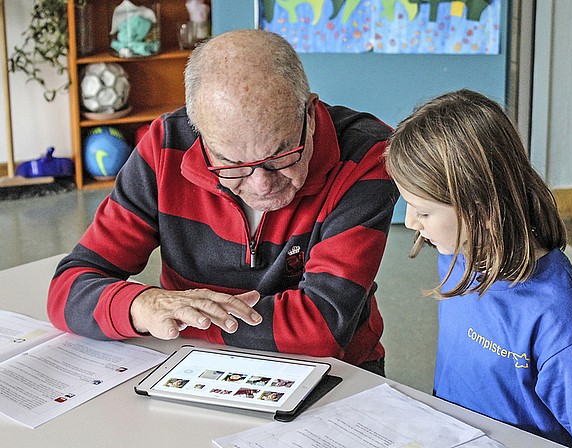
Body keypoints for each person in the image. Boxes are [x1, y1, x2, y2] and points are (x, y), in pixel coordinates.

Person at [47, 29, 398, 375]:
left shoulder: (366, 155)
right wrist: (144, 305)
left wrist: (178, 319)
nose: (262, 184)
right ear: (198, 134)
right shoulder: (165, 147)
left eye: (281, 154)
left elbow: (320, 329)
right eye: (233, 164)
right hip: (193, 366)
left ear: (309, 112)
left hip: (335, 373)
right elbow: (68, 290)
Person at [384, 89, 572, 447]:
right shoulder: (458, 258)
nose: (409, 223)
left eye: (422, 211)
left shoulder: (562, 319)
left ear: (482, 210)